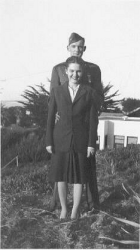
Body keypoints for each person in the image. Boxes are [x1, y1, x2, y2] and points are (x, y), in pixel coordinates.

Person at [49, 32, 104, 212]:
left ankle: (90, 203)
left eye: (80, 47)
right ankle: (58, 204)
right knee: (60, 169)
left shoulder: (93, 69)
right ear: (68, 48)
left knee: (85, 168)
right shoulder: (58, 68)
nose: (77, 50)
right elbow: (53, 98)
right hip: (64, 128)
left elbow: (97, 97)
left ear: (84, 49)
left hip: (84, 124)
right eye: (74, 46)